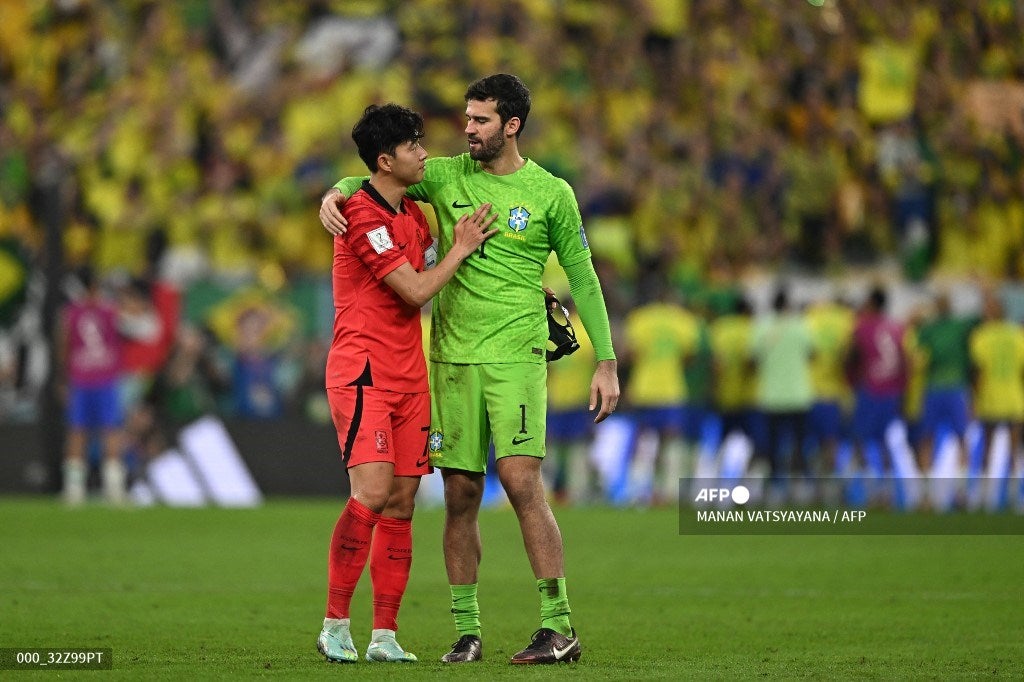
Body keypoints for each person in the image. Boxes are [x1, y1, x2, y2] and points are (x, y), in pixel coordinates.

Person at [320, 74, 620, 665]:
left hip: (516, 357)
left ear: (512, 125)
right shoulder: (446, 175)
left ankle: (557, 624)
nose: (468, 129)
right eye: (468, 118)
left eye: (481, 120)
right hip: (451, 359)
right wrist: (332, 193)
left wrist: (605, 360)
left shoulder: (551, 193)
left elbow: (583, 278)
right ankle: (467, 631)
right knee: (458, 493)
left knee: (521, 482)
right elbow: (372, 179)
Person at [317, 103, 497, 664]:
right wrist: (461, 247)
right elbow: (417, 291)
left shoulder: (415, 216)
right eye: (413, 145)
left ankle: (385, 635)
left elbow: (432, 272)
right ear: (384, 160)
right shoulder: (360, 216)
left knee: (400, 503)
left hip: (409, 373)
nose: (424, 152)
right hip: (363, 370)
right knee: (371, 493)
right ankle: (334, 624)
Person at [58, 266, 126, 506]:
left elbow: (64, 346)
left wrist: (63, 378)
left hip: (82, 378)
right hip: (105, 378)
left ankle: (74, 490)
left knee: (78, 433)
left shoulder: (71, 313)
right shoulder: (111, 311)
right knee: (110, 431)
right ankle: (114, 489)